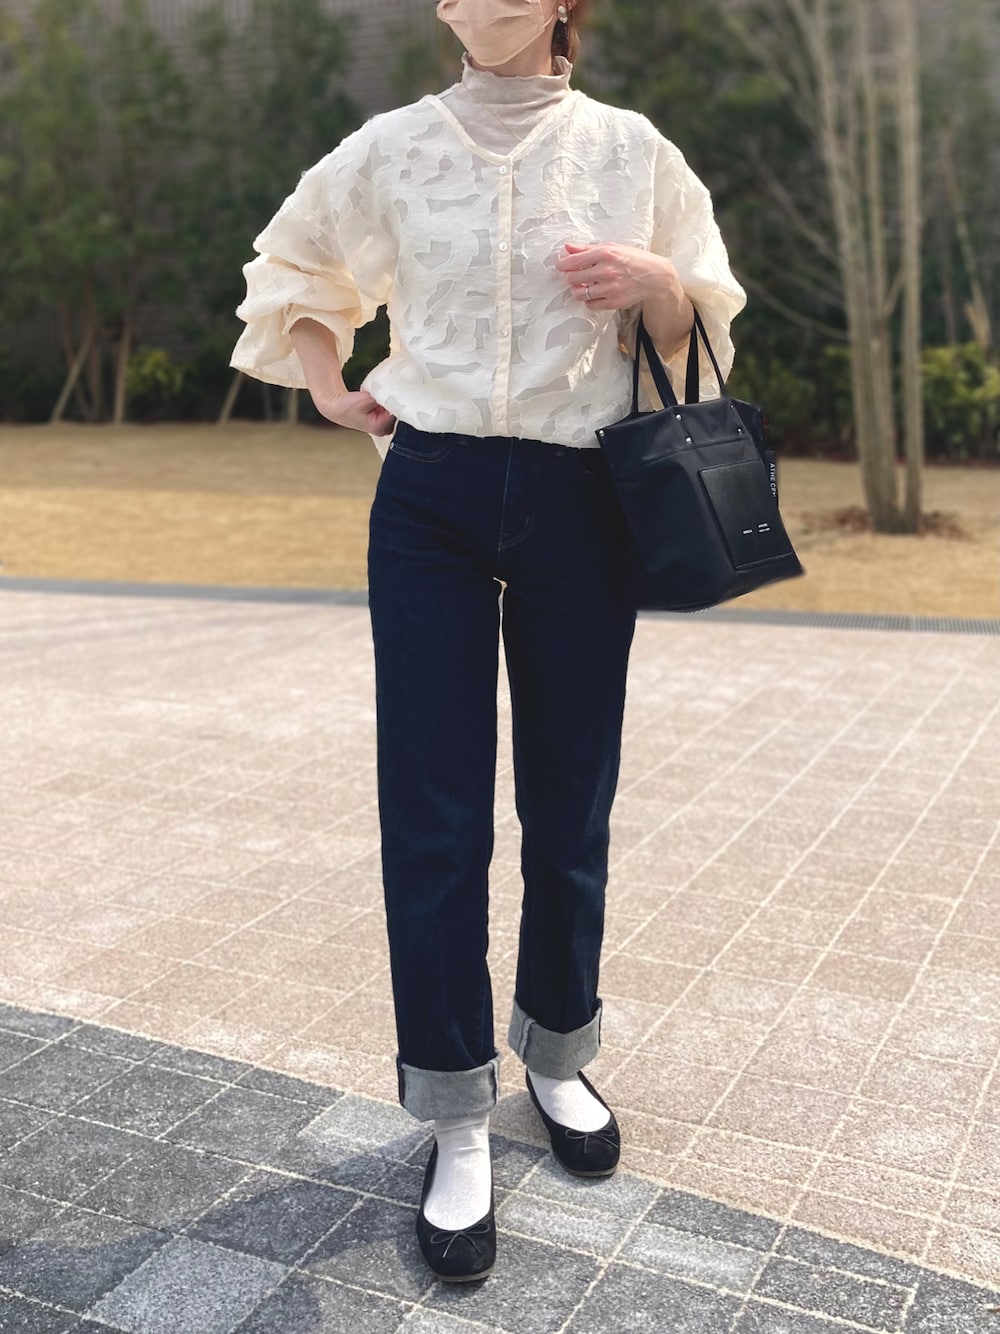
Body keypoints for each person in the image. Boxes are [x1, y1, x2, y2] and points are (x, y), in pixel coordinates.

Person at [231, 0, 746, 1283]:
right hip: (431, 495)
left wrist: (659, 286)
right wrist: (327, 382)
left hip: (585, 495)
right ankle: (455, 1109)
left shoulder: (629, 149)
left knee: (570, 799)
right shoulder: (392, 146)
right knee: (434, 811)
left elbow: (704, 317)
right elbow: (295, 268)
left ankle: (559, 1053)